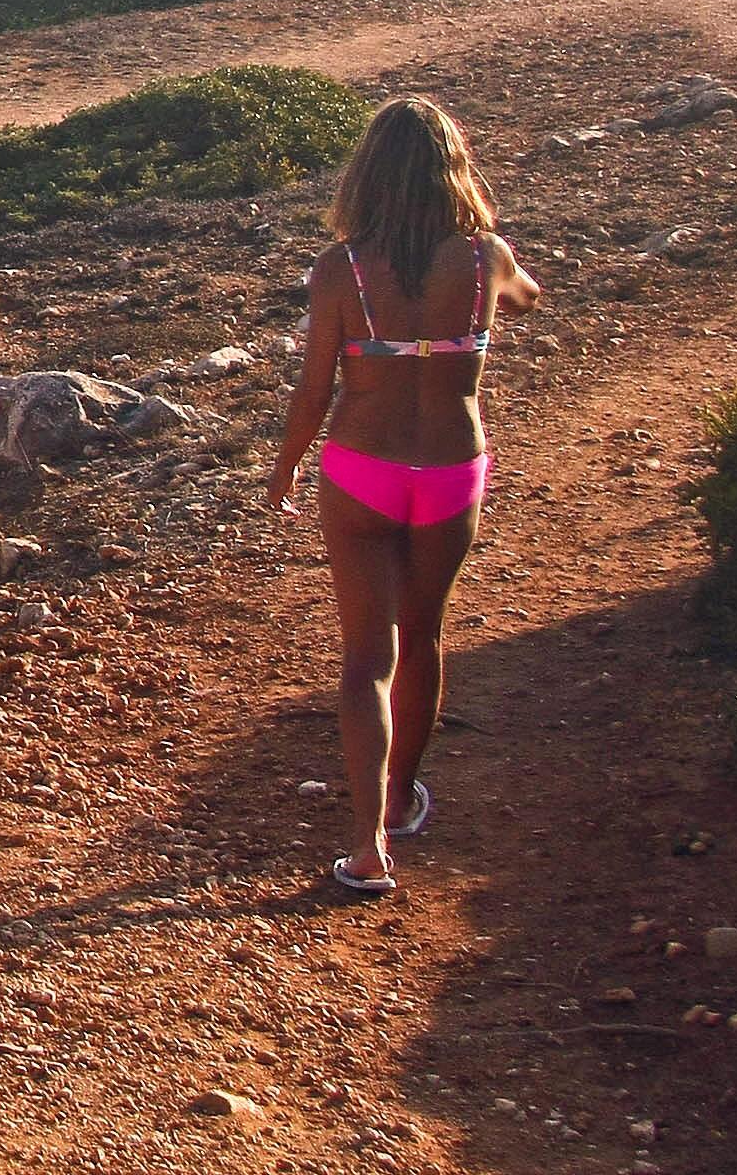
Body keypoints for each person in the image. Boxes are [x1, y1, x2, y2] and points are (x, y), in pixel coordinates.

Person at [263, 95, 537, 897]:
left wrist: (285, 467)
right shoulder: (484, 256)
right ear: (454, 169)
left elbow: (314, 389)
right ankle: (401, 797)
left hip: (360, 467)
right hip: (453, 466)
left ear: (369, 175)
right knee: (423, 637)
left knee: (365, 658)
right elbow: (530, 296)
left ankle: (367, 845)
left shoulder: (340, 270)